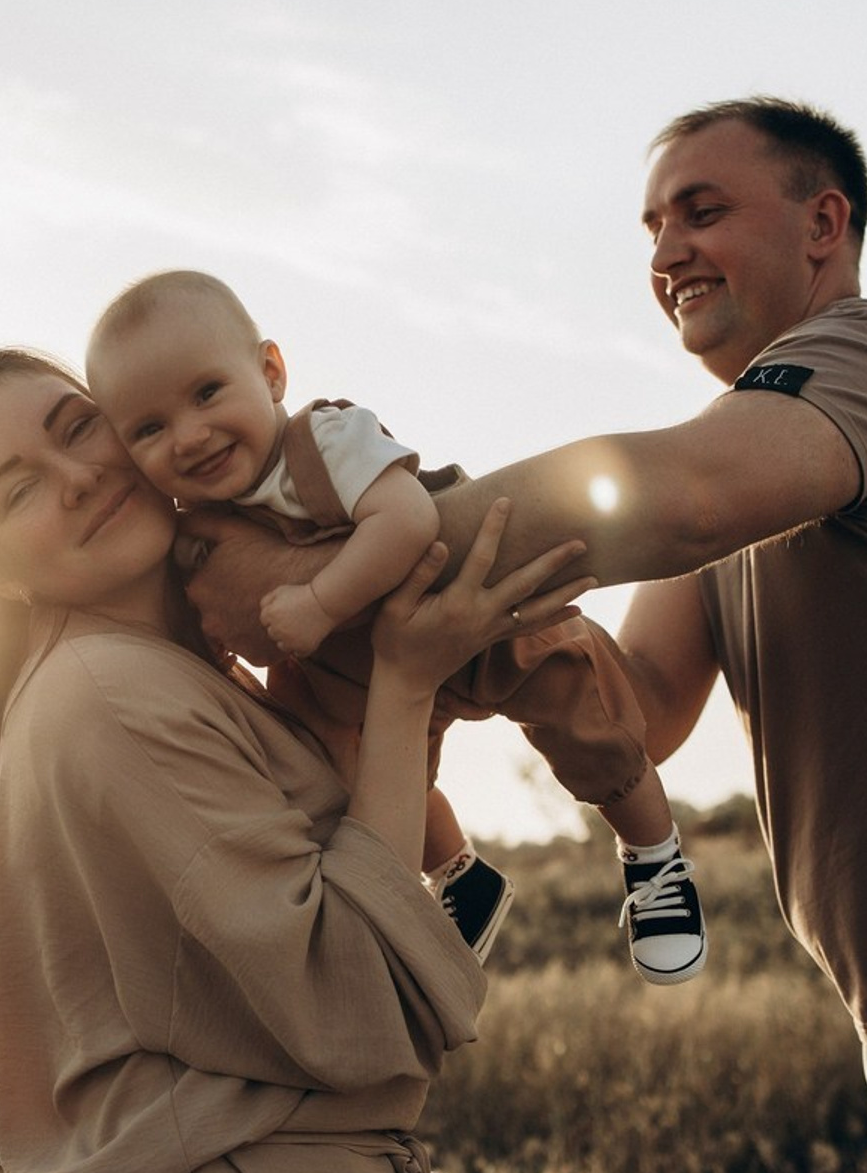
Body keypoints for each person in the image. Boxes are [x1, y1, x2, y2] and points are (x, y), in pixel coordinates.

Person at [182, 96, 867, 1076]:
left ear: (821, 223)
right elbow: (643, 707)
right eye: (652, 226)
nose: (665, 251)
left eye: (700, 211)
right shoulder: (761, 442)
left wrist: (314, 574)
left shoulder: (846, 360)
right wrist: (424, 657)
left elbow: (682, 496)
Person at [0, 347, 593, 1173]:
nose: (74, 476)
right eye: (19, 490)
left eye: (79, 429)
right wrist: (405, 677)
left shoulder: (183, 671)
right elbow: (346, 1004)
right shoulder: (109, 694)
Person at [86, 269, 709, 985]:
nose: (190, 436)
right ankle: (460, 875)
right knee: (353, 777)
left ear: (270, 372)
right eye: (150, 428)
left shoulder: (326, 439)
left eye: (206, 394)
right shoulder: (193, 527)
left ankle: (653, 857)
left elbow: (407, 519)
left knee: (591, 724)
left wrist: (319, 602)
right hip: (357, 676)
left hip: (479, 616)